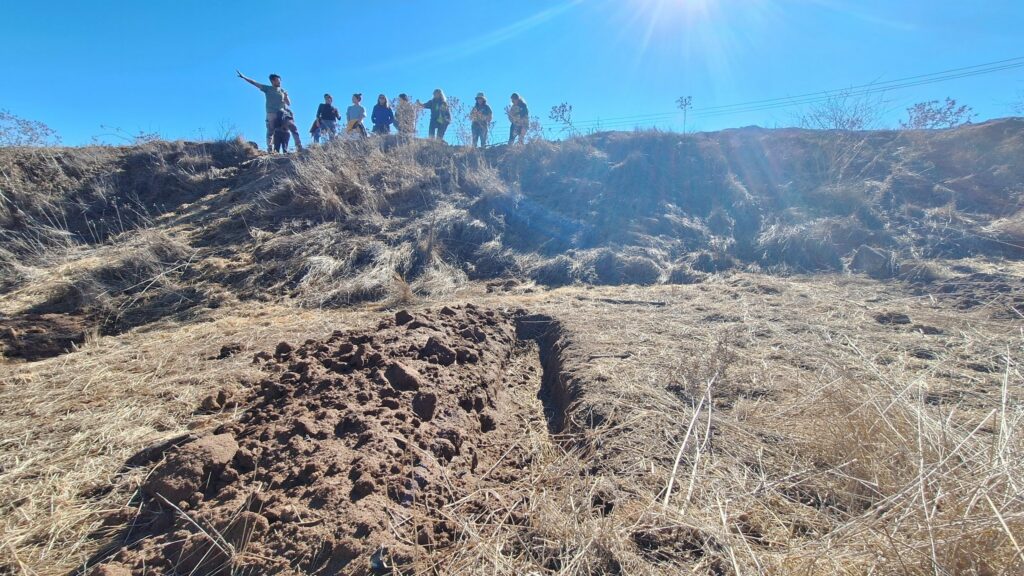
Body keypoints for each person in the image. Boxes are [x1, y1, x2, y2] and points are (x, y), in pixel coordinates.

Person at [237, 70, 301, 152]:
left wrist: (286, 96)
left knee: (292, 126)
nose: (279, 82)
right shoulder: (267, 89)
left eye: (280, 80)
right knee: (270, 131)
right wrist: (244, 77)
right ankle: (270, 149)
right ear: (272, 81)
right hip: (271, 113)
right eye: (278, 80)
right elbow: (254, 83)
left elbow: (288, 103)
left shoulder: (282, 91)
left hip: (282, 113)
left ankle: (299, 146)